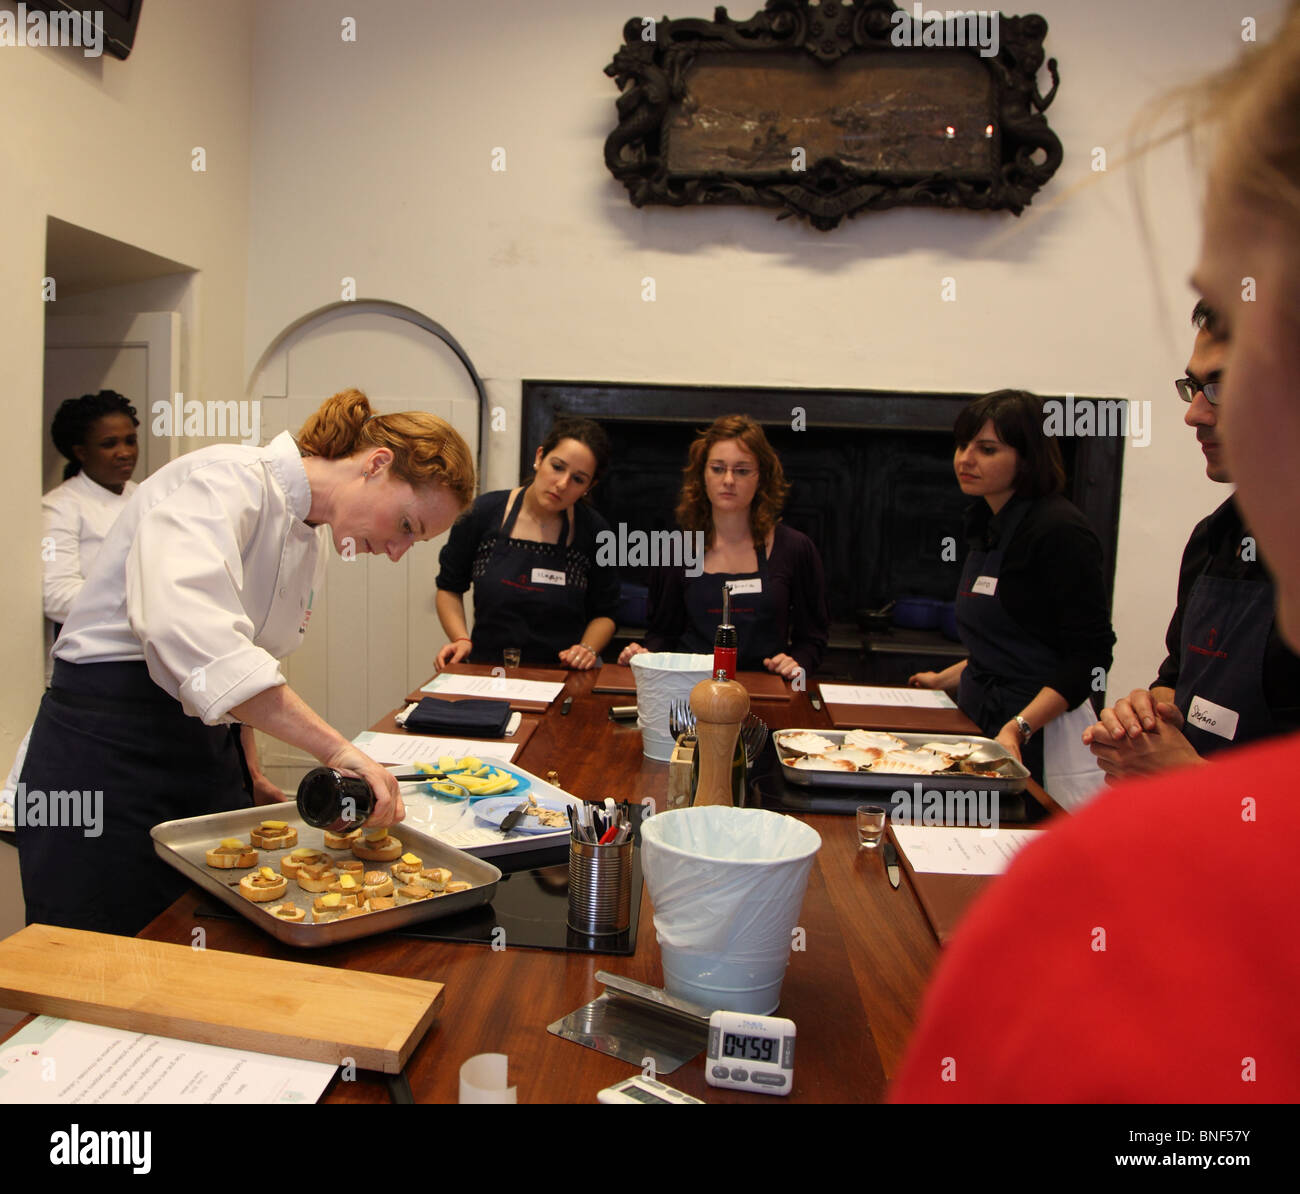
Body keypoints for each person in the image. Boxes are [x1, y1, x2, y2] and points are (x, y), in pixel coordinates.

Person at [890, 7, 1300, 1102]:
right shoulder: (1214, 539)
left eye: (1219, 324)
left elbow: (1080, 651)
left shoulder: (1063, 532)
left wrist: (1185, 797)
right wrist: (1156, 722)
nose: (1197, 393)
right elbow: (1171, 674)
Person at [13, 389, 475, 937]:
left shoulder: (310, 537)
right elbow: (199, 648)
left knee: (199, 950)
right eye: (407, 527)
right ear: (377, 465)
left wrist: (249, 771)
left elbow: (248, 666)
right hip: (108, 753)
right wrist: (338, 749)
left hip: (203, 756)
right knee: (100, 960)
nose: (398, 553)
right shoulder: (219, 481)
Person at [1082, 302, 1300, 780]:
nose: (1193, 414)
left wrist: (1191, 778)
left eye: (1222, 388)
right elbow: (1176, 681)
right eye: (1195, 388)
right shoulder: (1213, 538)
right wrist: (1148, 714)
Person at [908, 391, 1114, 804]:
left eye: (986, 449)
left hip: (1040, 735)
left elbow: (1088, 656)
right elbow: (1013, 642)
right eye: (962, 445)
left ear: (1028, 456)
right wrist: (942, 679)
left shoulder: (1060, 531)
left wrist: (1020, 726)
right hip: (984, 719)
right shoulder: (986, 520)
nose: (965, 459)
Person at [617, 415, 828, 680]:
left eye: (741, 471)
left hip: (766, 690)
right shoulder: (676, 550)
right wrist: (645, 654)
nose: (728, 480)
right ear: (702, 475)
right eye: (718, 468)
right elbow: (663, 636)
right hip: (690, 692)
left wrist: (796, 663)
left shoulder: (795, 549)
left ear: (761, 477)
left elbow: (812, 639)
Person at [434, 416, 619, 670]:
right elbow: (448, 587)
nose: (562, 484)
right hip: (486, 670)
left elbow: (605, 613)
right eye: (557, 467)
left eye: (578, 479)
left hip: (562, 677)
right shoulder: (482, 513)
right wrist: (461, 638)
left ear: (589, 486)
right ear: (540, 457)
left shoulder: (596, 532)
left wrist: (585, 650)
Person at [42, 390, 140, 631]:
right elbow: (55, 595)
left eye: (130, 440)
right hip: (90, 651)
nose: (125, 452)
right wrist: (140, 601)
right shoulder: (59, 507)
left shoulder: (144, 494)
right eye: (109, 444)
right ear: (81, 452)